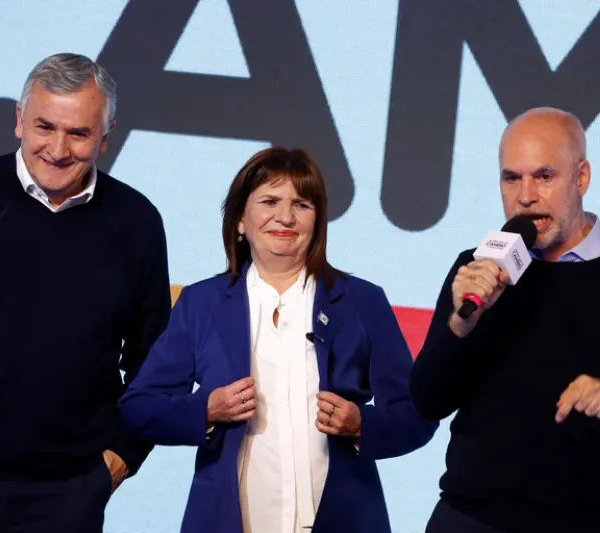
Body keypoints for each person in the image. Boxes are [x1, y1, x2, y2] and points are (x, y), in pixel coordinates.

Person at [0, 53, 171, 532]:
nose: (58, 149)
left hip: (65, 497)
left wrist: (121, 457)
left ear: (104, 138)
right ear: (19, 121)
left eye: (79, 133)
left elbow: (155, 359)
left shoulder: (135, 223)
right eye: (45, 126)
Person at [118, 146, 438, 533]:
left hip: (346, 518)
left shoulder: (362, 301)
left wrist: (361, 424)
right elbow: (139, 406)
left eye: (301, 204)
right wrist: (206, 409)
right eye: (269, 201)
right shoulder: (201, 303)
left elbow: (417, 414)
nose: (285, 217)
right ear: (240, 219)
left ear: (317, 220)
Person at [409, 107, 600, 533]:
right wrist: (461, 326)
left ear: (581, 178)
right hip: (469, 518)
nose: (525, 196)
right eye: (511, 178)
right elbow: (428, 400)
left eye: (543, 176)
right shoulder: (478, 269)